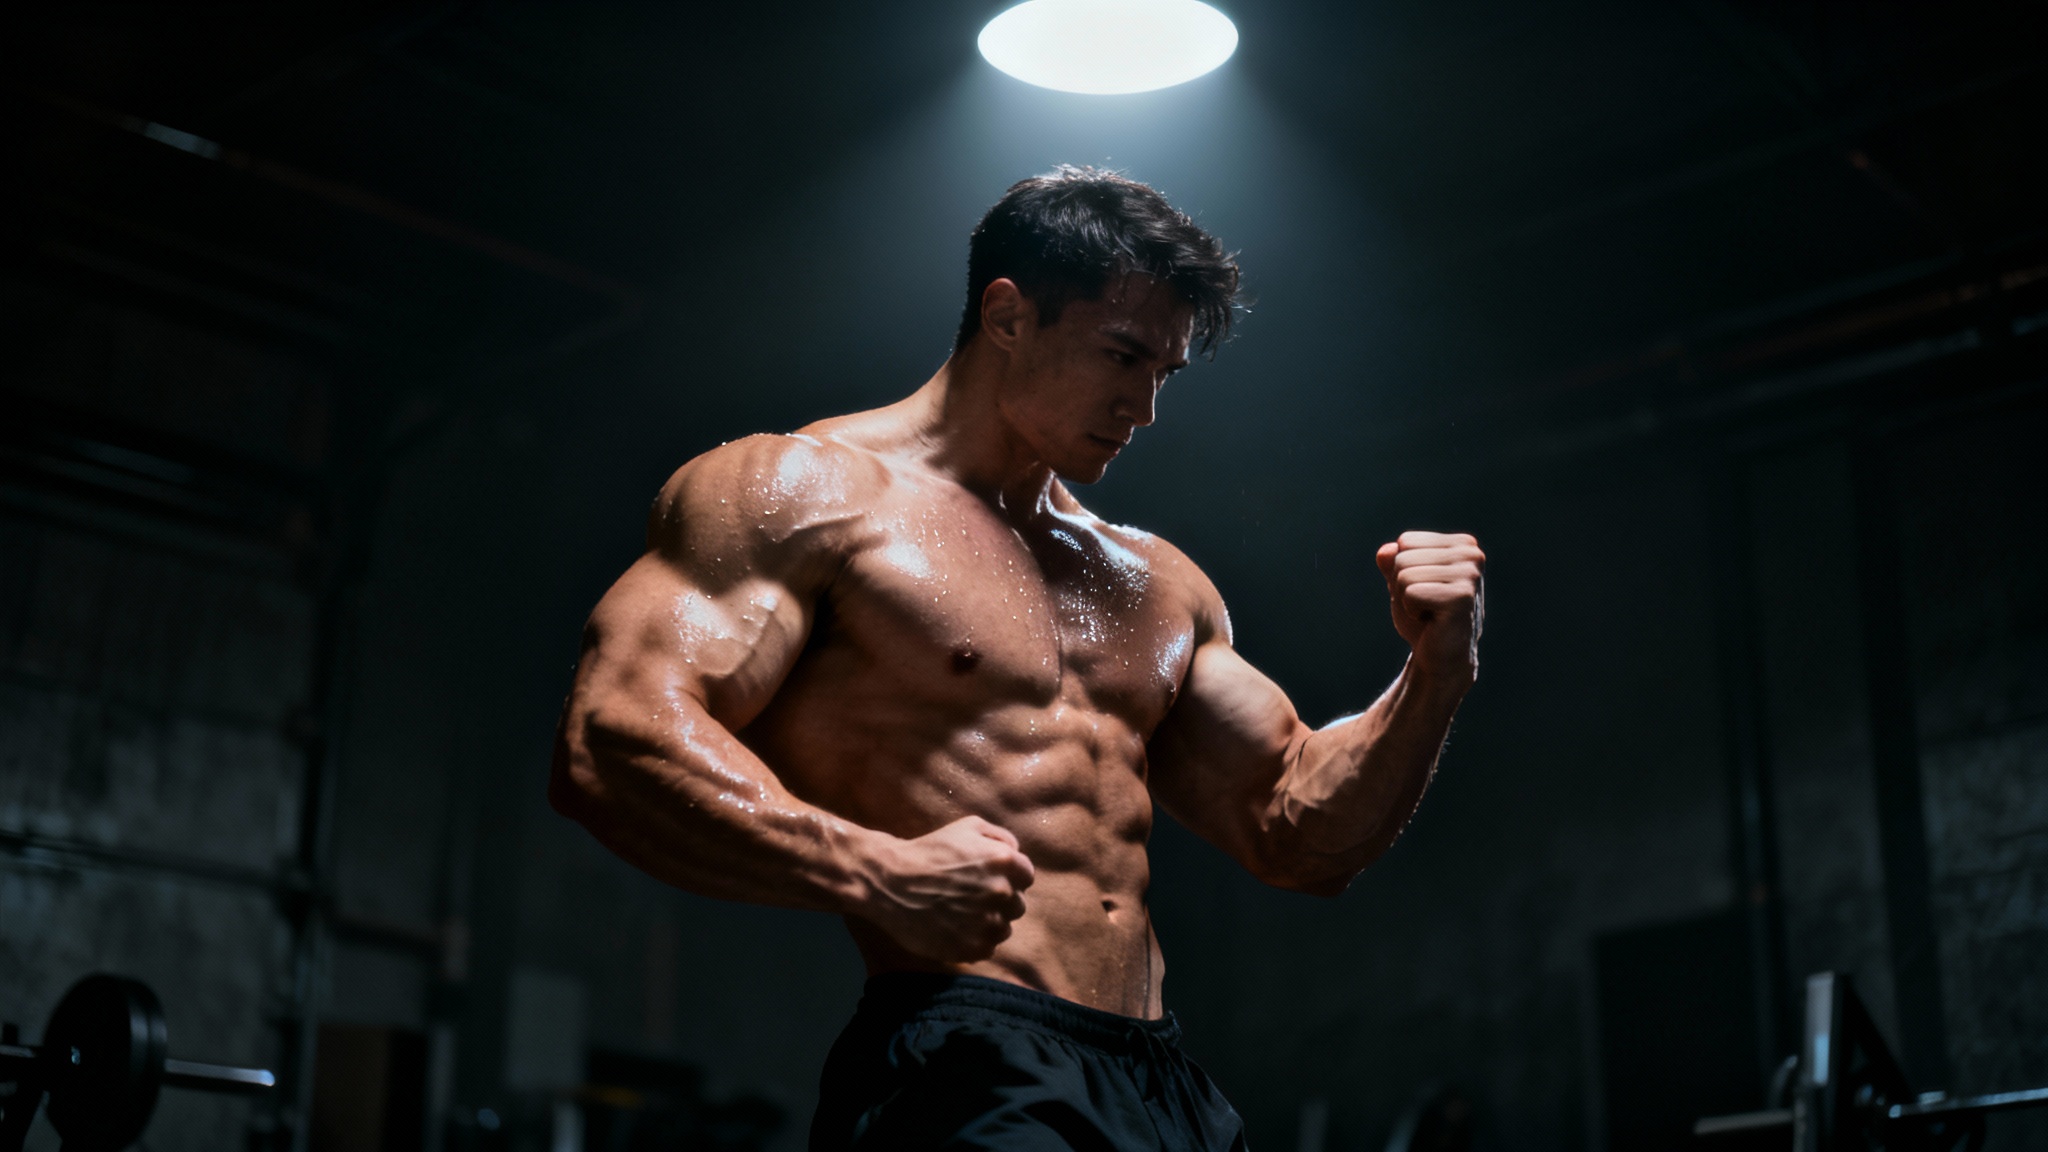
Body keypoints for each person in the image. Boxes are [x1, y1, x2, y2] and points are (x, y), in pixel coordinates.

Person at [550, 166, 1485, 1151]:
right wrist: (869, 869)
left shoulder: (1153, 581)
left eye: (1162, 373)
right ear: (1006, 316)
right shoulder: (806, 495)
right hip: (965, 1059)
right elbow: (613, 737)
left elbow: (1297, 834)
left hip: (1161, 1081)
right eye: (1120, 355)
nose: (1143, 407)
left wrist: (1434, 677)